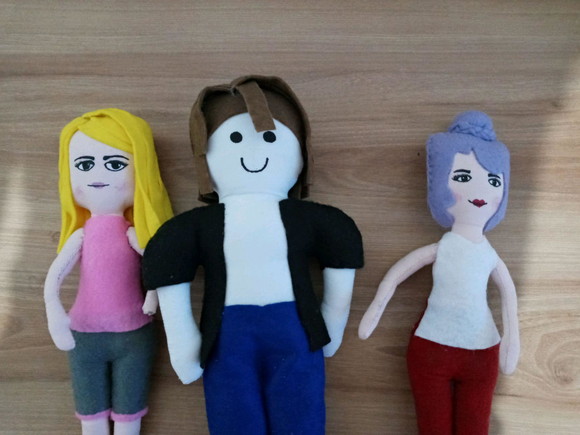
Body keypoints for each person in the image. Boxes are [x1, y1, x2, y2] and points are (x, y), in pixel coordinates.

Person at [142, 75, 364, 434]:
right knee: (233, 413)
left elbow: (341, 246)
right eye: (234, 138)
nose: (255, 151)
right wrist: (183, 340)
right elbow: (169, 261)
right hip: (229, 337)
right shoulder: (199, 226)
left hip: (295, 332)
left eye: (271, 138)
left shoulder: (308, 219)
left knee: (300, 411)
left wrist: (331, 321)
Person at [359, 111, 520, 435]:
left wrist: (511, 341)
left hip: (481, 351)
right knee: (432, 426)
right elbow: (396, 276)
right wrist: (375, 308)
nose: (481, 191)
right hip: (432, 348)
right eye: (463, 177)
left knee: (475, 426)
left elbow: (509, 301)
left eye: (493, 181)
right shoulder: (443, 248)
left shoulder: (488, 256)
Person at [44, 108, 173, 435]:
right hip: (84, 333)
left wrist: (153, 296)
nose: (97, 174)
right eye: (84, 165)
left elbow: (157, 265)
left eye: (115, 164)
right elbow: (54, 278)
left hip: (134, 332)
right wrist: (54, 313)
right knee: (91, 415)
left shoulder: (133, 234)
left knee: (130, 414)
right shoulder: (81, 236)